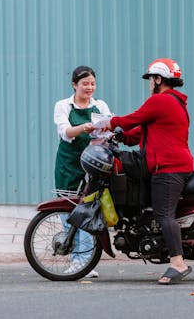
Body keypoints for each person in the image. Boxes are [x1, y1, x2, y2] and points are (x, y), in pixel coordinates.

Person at [107, 58, 194, 285]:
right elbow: (142, 131)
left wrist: (107, 123)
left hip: (169, 168)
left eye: (150, 79)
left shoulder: (161, 101)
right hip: (173, 165)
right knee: (160, 213)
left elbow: (132, 119)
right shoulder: (173, 103)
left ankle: (177, 262)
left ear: (158, 79)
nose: (149, 84)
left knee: (164, 214)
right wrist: (122, 136)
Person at [54, 65, 112, 278]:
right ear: (74, 85)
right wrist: (85, 127)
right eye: (85, 84)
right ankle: (76, 259)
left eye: (92, 84)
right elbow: (65, 131)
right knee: (67, 209)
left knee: (88, 209)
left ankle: (85, 261)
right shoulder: (63, 106)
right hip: (68, 163)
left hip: (94, 162)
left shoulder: (100, 105)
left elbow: (109, 127)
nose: (89, 88)